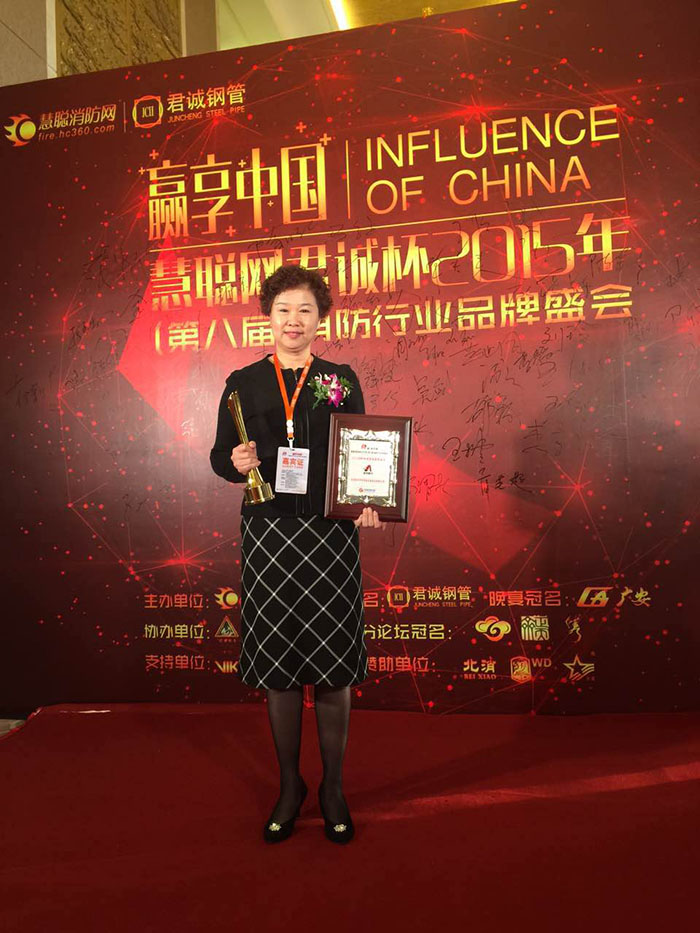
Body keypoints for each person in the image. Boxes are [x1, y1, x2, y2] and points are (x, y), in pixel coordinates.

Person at [210, 263, 383, 845]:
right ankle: (291, 785)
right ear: (268, 315)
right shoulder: (242, 382)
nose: (293, 320)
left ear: (320, 319)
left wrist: (367, 500)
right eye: (283, 309)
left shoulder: (340, 378)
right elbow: (220, 455)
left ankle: (333, 787)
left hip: (331, 536)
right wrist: (233, 463)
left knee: (333, 666)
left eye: (305, 310)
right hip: (269, 536)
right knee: (279, 667)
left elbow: (364, 449)